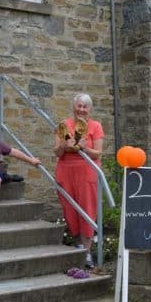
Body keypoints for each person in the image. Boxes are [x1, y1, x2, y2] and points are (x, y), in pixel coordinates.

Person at [53, 93, 104, 268]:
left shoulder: (95, 126)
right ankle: (78, 246)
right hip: (65, 171)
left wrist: (85, 147)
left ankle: (87, 252)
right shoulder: (63, 125)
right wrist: (63, 146)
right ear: (73, 107)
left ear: (89, 109)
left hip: (87, 171)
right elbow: (57, 153)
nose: (81, 109)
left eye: (85, 106)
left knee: (87, 208)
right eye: (79, 106)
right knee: (70, 209)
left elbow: (98, 153)